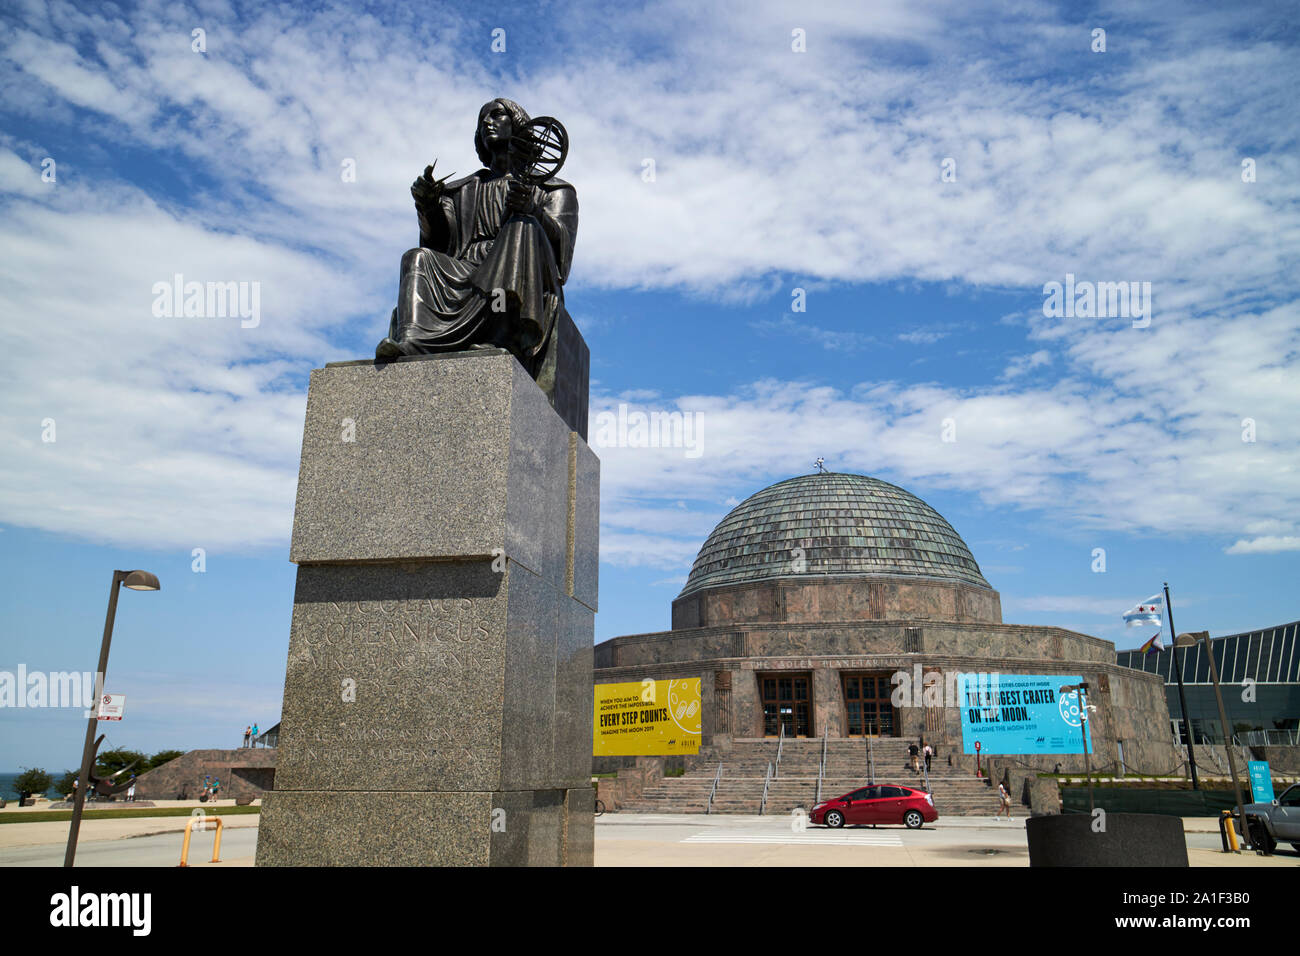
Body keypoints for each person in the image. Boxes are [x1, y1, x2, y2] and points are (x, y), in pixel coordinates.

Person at [375, 98, 579, 392]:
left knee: (521, 226)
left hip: (521, 265)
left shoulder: (552, 189)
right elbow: (438, 243)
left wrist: (534, 210)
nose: (487, 123)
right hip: (468, 269)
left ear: (518, 123)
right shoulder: (465, 189)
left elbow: (561, 253)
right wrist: (428, 206)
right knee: (417, 257)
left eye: (497, 115)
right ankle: (412, 340)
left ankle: (501, 336)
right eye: (482, 119)